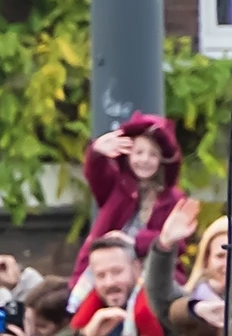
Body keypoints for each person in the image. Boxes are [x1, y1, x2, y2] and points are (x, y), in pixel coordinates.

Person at [79, 112, 188, 277]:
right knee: (79, 298)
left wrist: (135, 242)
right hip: (104, 265)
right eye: (139, 153)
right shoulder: (117, 184)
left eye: (153, 154)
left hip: (150, 270)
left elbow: (178, 243)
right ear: (128, 154)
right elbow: (96, 174)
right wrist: (96, 152)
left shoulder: (173, 198)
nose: (144, 160)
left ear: (162, 160)